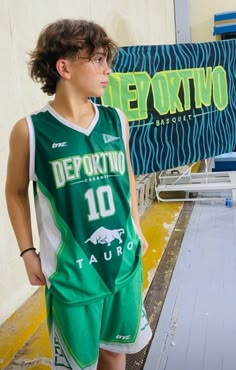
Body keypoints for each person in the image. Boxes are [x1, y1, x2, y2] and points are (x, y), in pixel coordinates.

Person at [5, 19, 152, 370]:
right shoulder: (31, 130)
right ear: (64, 67)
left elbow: (127, 179)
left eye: (107, 61)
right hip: (72, 274)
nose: (108, 70)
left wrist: (136, 226)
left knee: (115, 352)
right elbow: (13, 192)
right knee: (79, 365)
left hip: (122, 264)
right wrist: (27, 252)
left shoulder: (116, 120)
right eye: (98, 60)